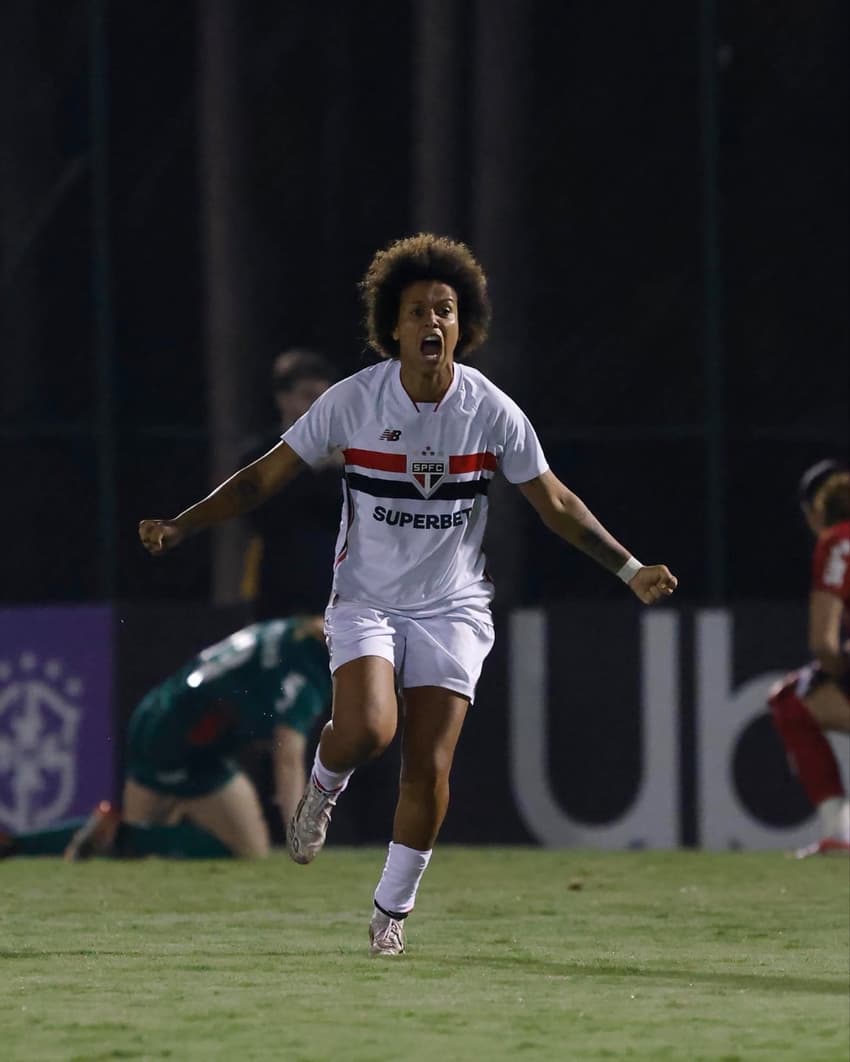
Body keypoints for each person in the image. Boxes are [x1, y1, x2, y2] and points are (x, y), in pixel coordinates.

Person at [139, 233, 678, 956]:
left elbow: (556, 503)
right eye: (418, 310)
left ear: (464, 326)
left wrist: (629, 567)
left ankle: (390, 914)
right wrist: (183, 524)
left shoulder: (489, 410)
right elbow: (262, 478)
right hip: (366, 600)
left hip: (453, 606)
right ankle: (324, 786)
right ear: (392, 327)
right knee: (366, 731)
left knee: (429, 766)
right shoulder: (355, 402)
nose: (433, 322)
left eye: (446, 311)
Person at [1, 616, 331, 861]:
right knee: (131, 844)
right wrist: (298, 830)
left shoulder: (289, 631)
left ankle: (23, 843)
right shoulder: (306, 671)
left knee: (248, 848)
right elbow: (287, 757)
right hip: (175, 740)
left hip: (174, 725)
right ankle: (35, 842)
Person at [768, 459, 850, 858]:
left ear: (815, 510)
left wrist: (837, 674)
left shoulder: (838, 541)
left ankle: (838, 832)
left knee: (791, 700)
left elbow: (824, 643)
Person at [239, 349, 342, 619]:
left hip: (336, 590)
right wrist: (311, 469)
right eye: (309, 397)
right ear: (284, 399)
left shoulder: (347, 456)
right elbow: (263, 517)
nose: (318, 407)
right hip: (279, 588)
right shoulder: (259, 455)